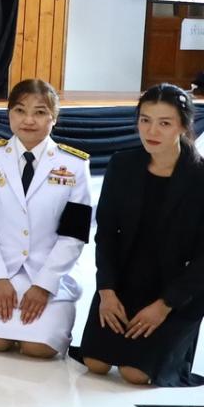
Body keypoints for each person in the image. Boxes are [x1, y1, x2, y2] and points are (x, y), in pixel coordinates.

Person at [77, 83, 204, 386]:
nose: (152, 131)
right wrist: (106, 291)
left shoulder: (199, 177)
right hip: (125, 281)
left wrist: (164, 305)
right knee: (95, 363)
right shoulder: (123, 165)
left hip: (177, 290)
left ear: (183, 126)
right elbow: (106, 233)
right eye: (145, 120)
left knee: (134, 374)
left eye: (164, 123)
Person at [0, 78, 90, 358]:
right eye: (20, 110)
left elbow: (74, 234)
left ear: (54, 118)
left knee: (39, 348)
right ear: (9, 114)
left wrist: (44, 285)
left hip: (48, 272)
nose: (29, 120)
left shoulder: (74, 165)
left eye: (40, 112)